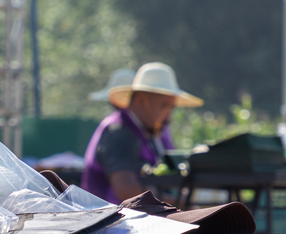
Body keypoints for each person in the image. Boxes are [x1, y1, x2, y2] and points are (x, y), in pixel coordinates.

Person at [81, 62, 202, 203]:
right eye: (164, 106)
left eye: (171, 108)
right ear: (140, 101)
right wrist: (177, 203)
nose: (169, 117)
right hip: (108, 221)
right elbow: (126, 190)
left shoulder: (140, 131)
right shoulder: (119, 132)